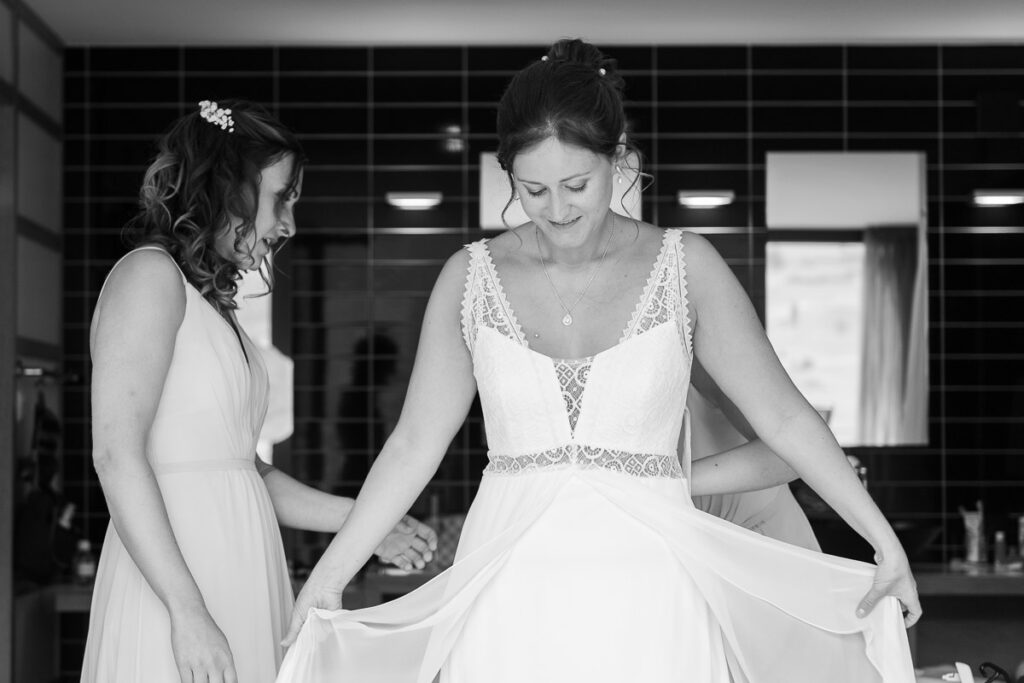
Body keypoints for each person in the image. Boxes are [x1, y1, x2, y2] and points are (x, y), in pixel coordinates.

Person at [278, 41, 920, 683]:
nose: (556, 211)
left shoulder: (685, 265)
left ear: (621, 163)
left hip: (651, 575)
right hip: (510, 574)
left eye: (576, 185)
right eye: (533, 190)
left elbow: (784, 418)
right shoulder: (469, 277)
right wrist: (329, 576)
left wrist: (882, 541)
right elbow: (415, 442)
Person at [80, 99, 436, 683]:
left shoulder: (215, 308)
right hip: (176, 584)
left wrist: (370, 525)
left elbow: (245, 472)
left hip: (241, 568)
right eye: (283, 197)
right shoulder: (148, 278)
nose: (290, 224)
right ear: (230, 186)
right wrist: (186, 610)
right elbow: (115, 454)